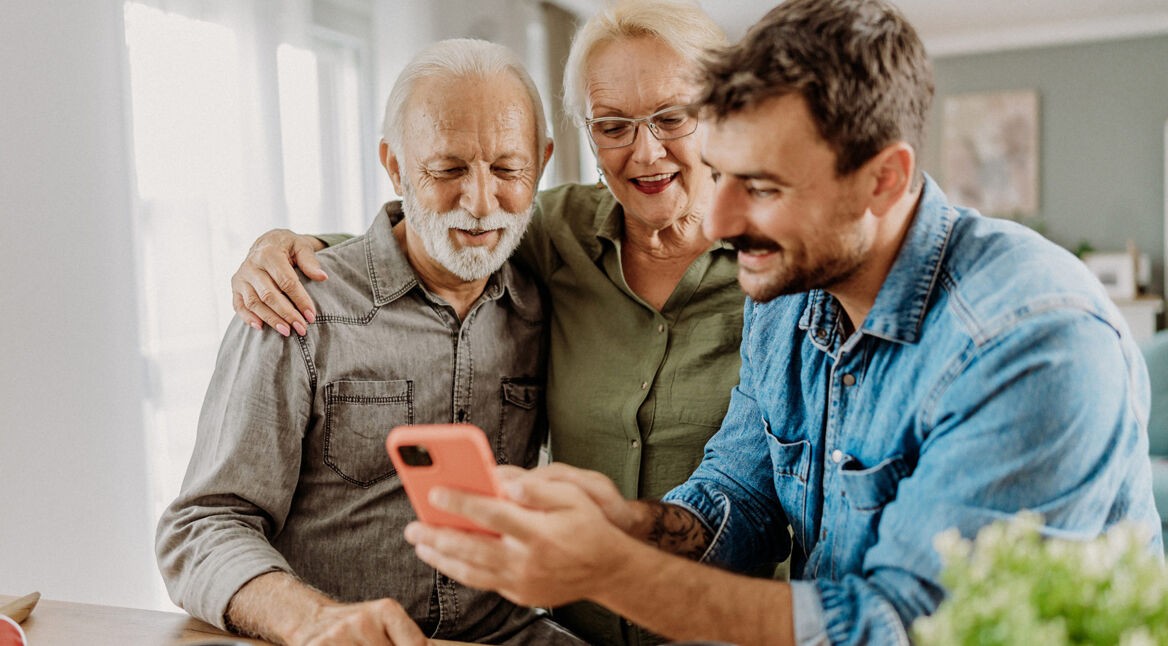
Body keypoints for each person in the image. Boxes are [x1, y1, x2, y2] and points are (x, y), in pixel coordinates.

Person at [400, 1, 1165, 644]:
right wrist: (626, 523)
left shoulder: (1033, 341)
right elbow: (741, 492)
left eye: (760, 187)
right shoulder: (792, 294)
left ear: (882, 179)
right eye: (723, 175)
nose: (723, 220)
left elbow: (900, 627)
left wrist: (606, 570)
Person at [228, 2, 741, 643]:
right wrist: (287, 248)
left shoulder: (782, 269)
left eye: (672, 117)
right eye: (612, 125)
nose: (645, 151)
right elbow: (439, 243)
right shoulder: (561, 236)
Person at [155, 38, 584, 645]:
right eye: (448, 169)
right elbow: (200, 527)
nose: (481, 202)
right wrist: (311, 620)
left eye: (508, 169)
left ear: (540, 164)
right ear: (395, 166)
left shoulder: (547, 309)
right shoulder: (298, 305)